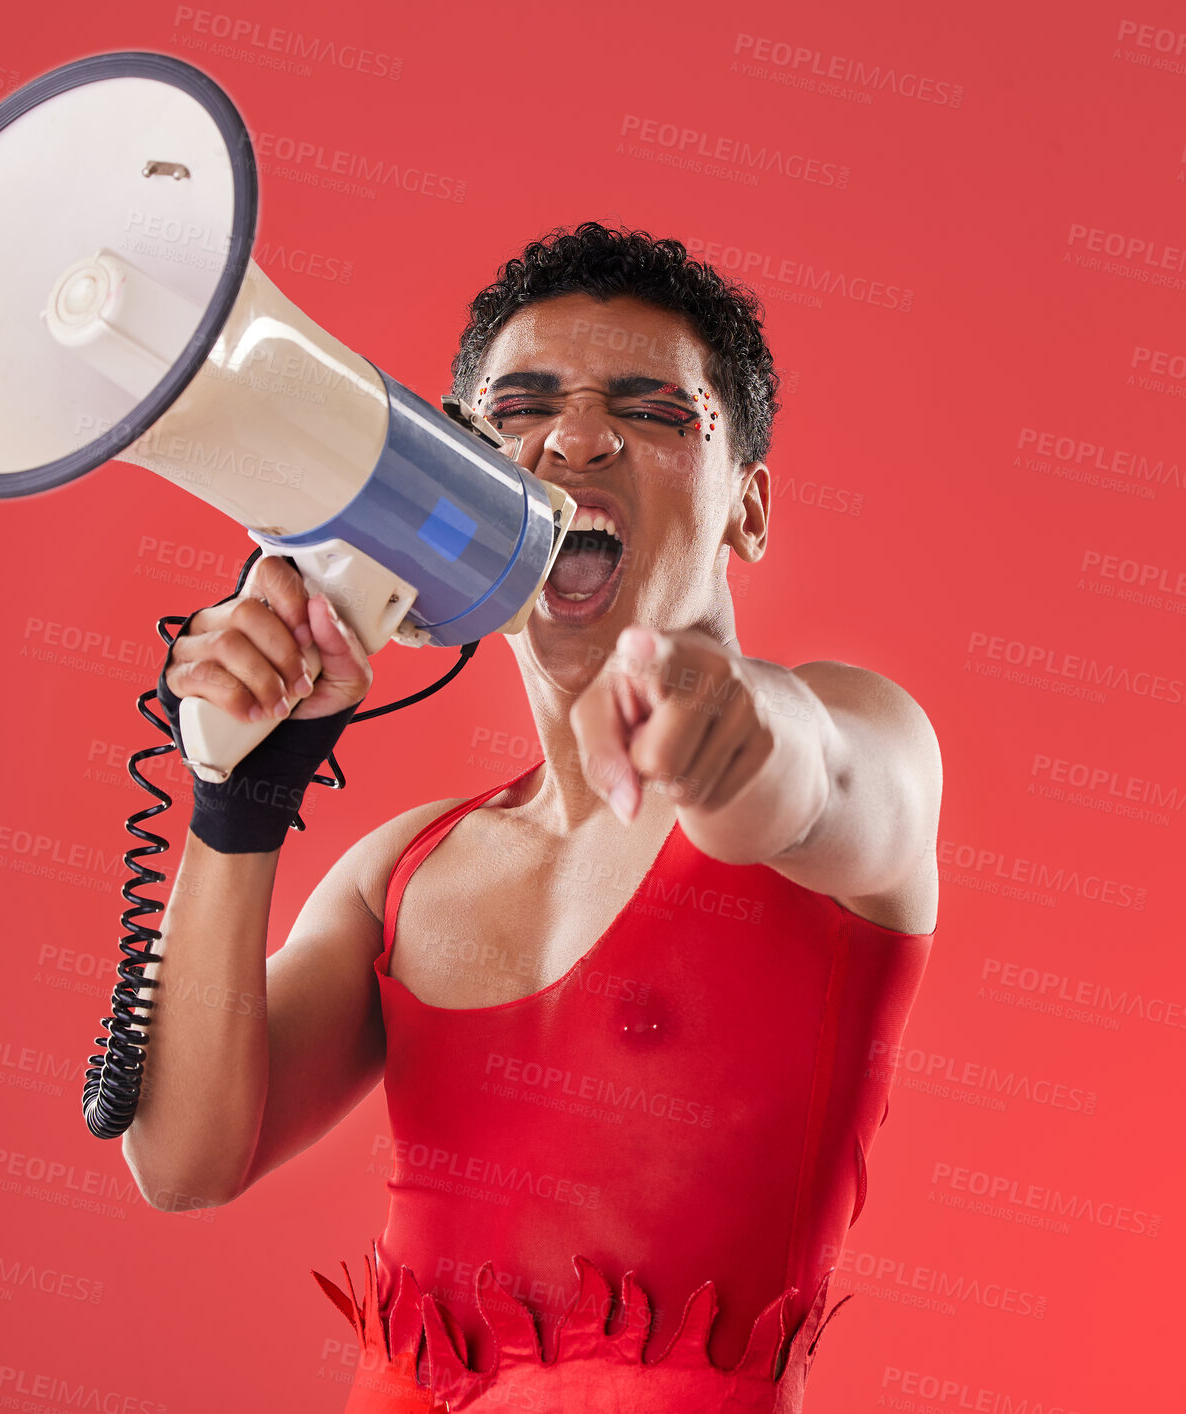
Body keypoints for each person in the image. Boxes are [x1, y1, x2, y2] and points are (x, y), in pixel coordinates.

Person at [125, 222, 942, 1413]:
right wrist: (237, 796)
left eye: (655, 409)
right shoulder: (397, 873)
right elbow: (185, 1157)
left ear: (747, 513)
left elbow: (816, 777)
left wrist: (729, 722)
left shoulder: (858, 736)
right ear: (450, 474)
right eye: (520, 406)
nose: (575, 436)